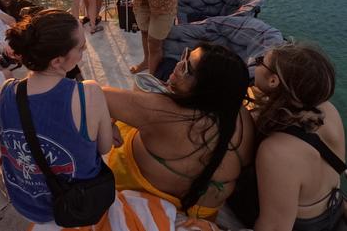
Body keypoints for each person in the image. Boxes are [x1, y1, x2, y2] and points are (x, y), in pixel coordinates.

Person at [103, 43, 254, 221]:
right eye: (185, 55)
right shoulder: (242, 117)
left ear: (206, 89)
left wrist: (110, 124)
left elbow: (95, 95)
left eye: (188, 69)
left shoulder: (165, 113)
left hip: (143, 193)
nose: (179, 64)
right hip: (202, 210)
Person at [0, 9, 114, 223]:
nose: (84, 51)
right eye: (80, 48)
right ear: (57, 62)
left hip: (25, 203)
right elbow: (106, 147)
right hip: (74, 206)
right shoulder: (87, 93)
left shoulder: (6, 90)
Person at [251, 43, 346, 231]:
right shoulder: (328, 111)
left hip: (303, 225)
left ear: (273, 81)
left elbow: (274, 227)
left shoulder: (277, 151)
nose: (256, 63)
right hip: (333, 207)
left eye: (261, 61)